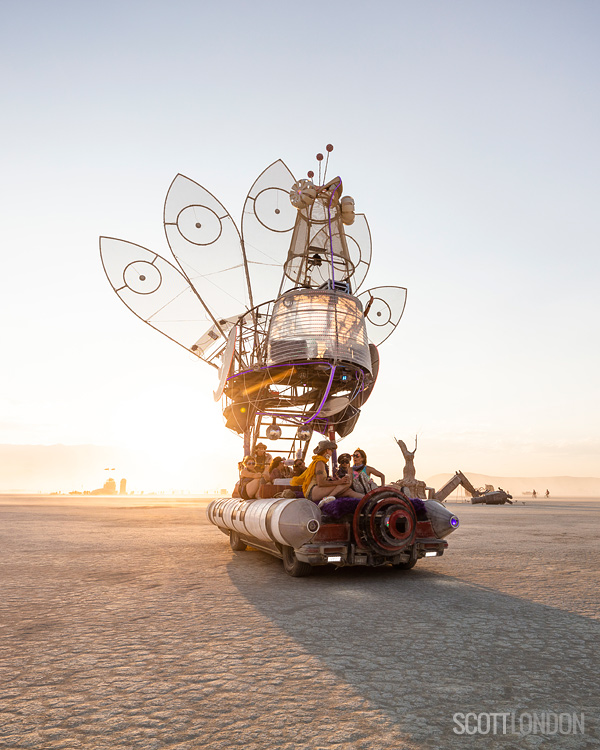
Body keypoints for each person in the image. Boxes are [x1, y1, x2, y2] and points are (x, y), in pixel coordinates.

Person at [291, 440, 363, 503]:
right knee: (346, 483)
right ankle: (328, 497)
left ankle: (367, 499)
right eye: (331, 450)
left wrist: (331, 480)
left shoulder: (320, 462)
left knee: (347, 491)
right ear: (327, 450)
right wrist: (339, 482)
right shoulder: (320, 462)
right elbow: (320, 483)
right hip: (313, 492)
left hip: (315, 491)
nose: (332, 452)